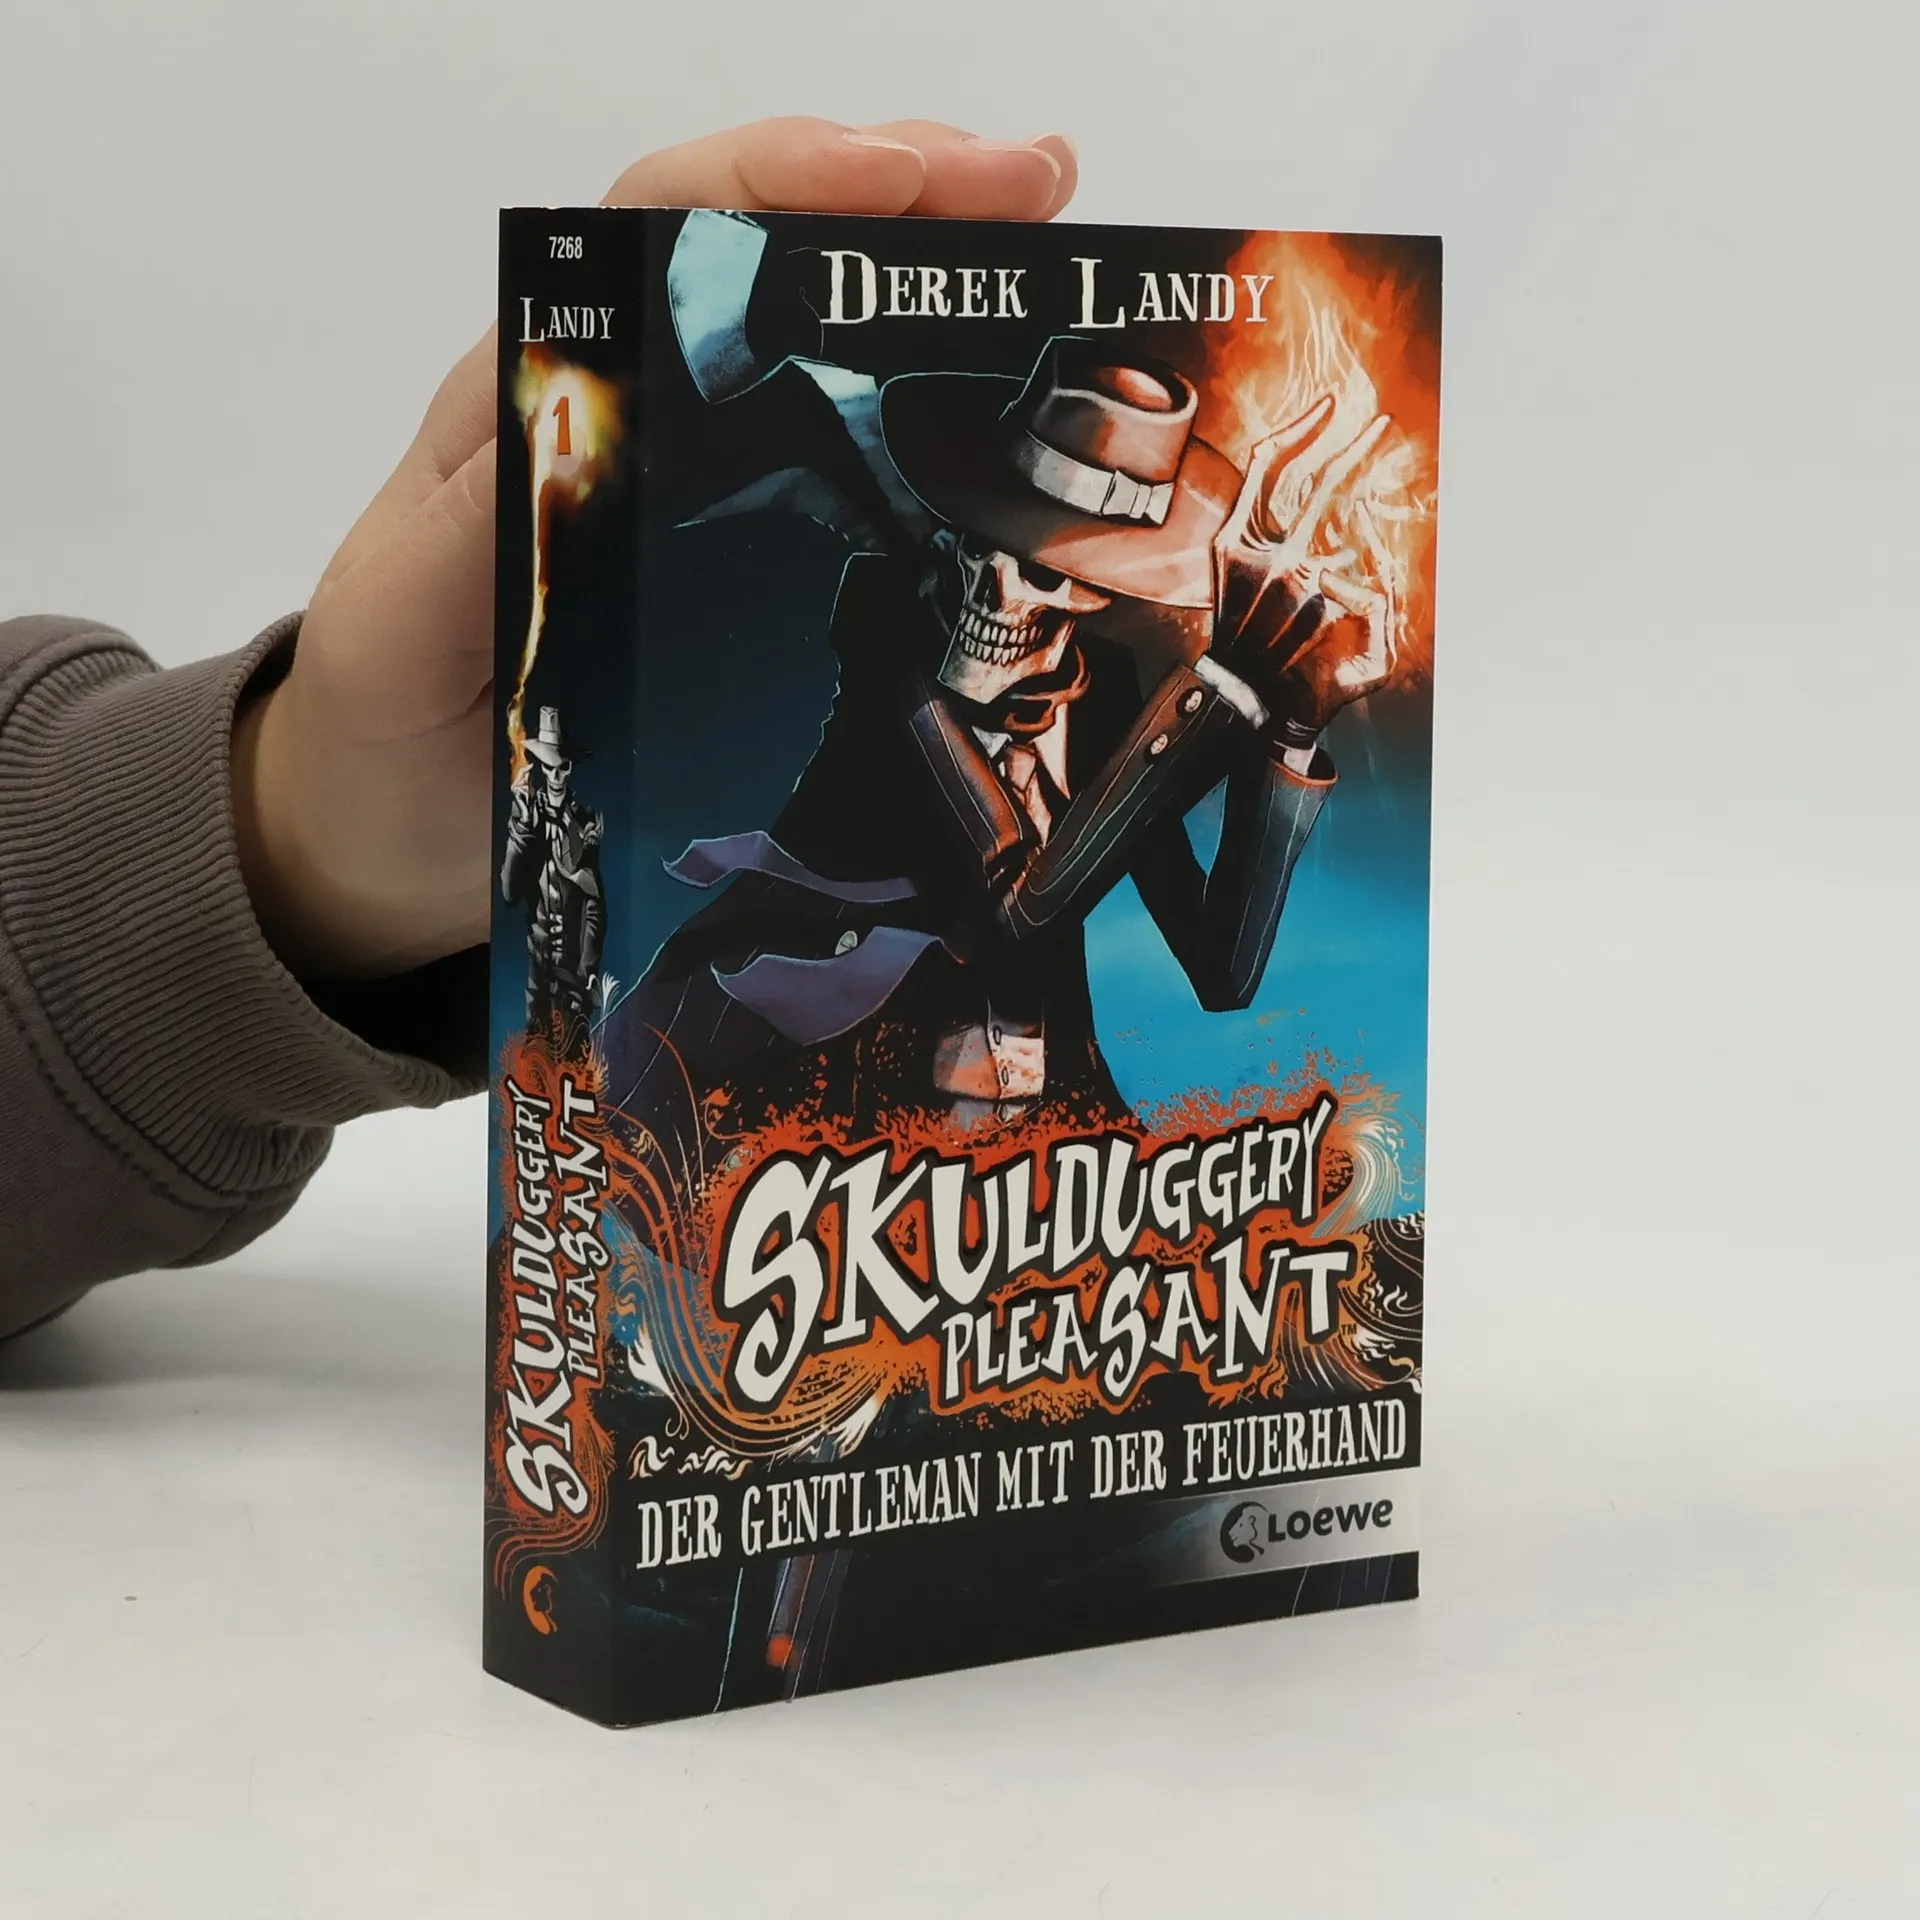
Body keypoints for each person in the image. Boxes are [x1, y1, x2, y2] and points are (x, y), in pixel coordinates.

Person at [0, 117, 1080, 1344]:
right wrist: (276, 844)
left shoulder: (1065, 721)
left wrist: (288, 847)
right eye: (987, 558)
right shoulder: (887, 652)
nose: (1007, 596)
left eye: (1050, 576)